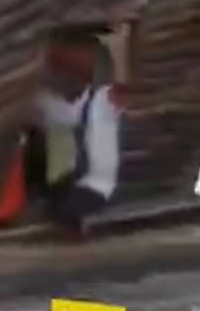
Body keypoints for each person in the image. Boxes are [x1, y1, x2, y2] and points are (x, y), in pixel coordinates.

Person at [21, 22, 131, 237]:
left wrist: (121, 46)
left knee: (65, 210)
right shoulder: (74, 100)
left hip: (95, 187)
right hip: (74, 178)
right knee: (43, 136)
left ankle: (69, 215)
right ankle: (52, 204)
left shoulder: (104, 99)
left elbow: (121, 88)